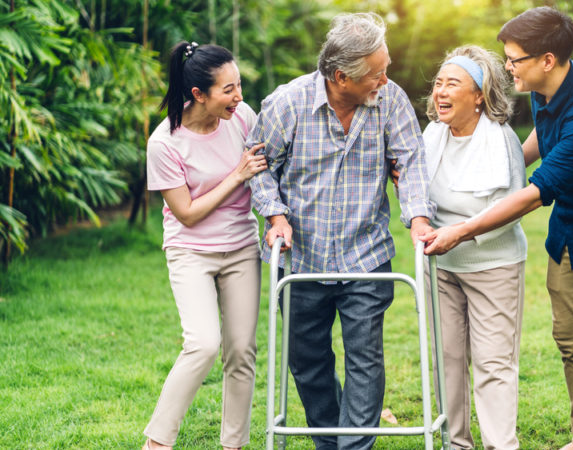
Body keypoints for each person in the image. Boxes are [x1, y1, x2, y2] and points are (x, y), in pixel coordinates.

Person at [421, 7, 573, 450]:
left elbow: (532, 196)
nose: (507, 67)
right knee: (569, 339)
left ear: (547, 59)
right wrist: (504, 161)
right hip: (571, 225)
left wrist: (462, 230)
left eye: (514, 59)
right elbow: (542, 145)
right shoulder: (545, 87)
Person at [247, 13, 435, 450]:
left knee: (364, 358)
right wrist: (275, 215)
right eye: (377, 72)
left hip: (365, 253)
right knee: (308, 361)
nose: (385, 80)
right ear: (340, 76)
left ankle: (352, 447)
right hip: (301, 257)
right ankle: (331, 440)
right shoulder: (288, 103)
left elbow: (411, 162)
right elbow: (257, 167)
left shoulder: (391, 101)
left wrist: (419, 218)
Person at [143, 41, 266, 450]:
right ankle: (158, 442)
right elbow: (188, 213)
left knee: (241, 352)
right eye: (228, 90)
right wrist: (236, 176)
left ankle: (234, 445)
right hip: (190, 250)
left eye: (239, 85)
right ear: (198, 94)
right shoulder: (165, 142)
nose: (239, 97)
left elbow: (271, 162)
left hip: (241, 247)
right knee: (202, 343)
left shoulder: (242, 118)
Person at [421, 45, 527, 450]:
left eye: (453, 84)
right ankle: (456, 443)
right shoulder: (431, 135)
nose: (441, 92)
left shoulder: (501, 141)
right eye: (438, 83)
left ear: (479, 95)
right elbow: (415, 190)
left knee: (493, 364)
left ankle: (501, 445)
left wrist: (460, 233)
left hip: (493, 265)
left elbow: (512, 210)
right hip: (441, 266)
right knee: (446, 361)